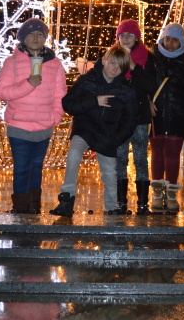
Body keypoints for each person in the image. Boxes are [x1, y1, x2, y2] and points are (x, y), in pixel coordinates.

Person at [51, 45, 139, 217]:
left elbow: (131, 120)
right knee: (74, 155)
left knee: (110, 173)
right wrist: (94, 101)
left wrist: (115, 139)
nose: (115, 69)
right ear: (104, 60)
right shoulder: (86, 81)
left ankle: (111, 208)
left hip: (108, 134)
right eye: (113, 63)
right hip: (85, 129)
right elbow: (69, 104)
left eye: (120, 66)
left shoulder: (125, 90)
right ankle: (67, 199)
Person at [0, 18, 67, 213]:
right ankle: (21, 209)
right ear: (23, 38)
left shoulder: (54, 63)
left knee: (36, 168)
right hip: (19, 126)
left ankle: (34, 208)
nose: (35, 38)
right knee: (21, 169)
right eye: (31, 34)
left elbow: (60, 94)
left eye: (40, 34)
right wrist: (27, 85)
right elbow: (1, 91)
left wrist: (55, 117)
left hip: (44, 126)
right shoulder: (12, 62)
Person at [148, 23, 184, 212]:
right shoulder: (152, 60)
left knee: (172, 154)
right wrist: (147, 103)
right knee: (157, 153)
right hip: (156, 114)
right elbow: (145, 84)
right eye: (167, 39)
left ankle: (171, 194)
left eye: (174, 40)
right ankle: (157, 193)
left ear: (181, 42)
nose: (170, 43)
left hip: (179, 114)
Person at [114, 19, 157, 214]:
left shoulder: (147, 57)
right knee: (120, 159)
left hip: (140, 116)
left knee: (140, 159)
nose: (125, 39)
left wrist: (133, 66)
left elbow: (151, 85)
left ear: (137, 37)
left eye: (129, 35)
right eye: (122, 35)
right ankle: (121, 202)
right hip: (119, 117)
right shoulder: (112, 55)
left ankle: (142, 203)